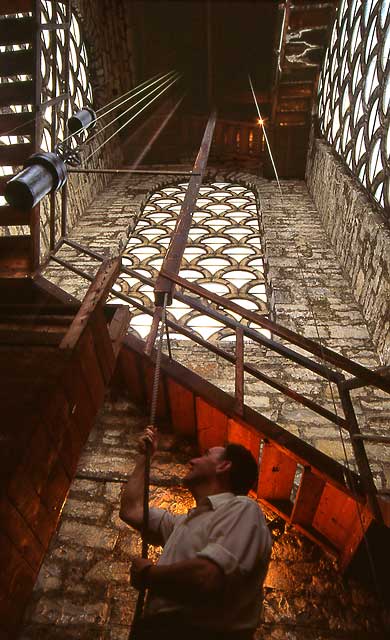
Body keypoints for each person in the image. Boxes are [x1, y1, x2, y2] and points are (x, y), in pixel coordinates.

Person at [120, 426, 272, 640]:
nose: (192, 461)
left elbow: (208, 576)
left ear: (224, 466)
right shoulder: (183, 522)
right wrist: (145, 459)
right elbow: (131, 510)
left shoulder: (243, 509)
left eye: (206, 455)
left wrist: (148, 575)